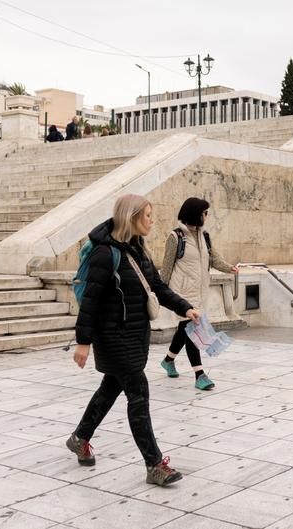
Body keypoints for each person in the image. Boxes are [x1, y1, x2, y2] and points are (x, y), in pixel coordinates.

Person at [68, 194, 200, 486]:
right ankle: (154, 465)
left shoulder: (138, 249)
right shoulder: (106, 254)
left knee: (110, 388)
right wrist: (83, 342)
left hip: (134, 335)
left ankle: (80, 437)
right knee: (138, 393)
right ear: (132, 217)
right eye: (148, 216)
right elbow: (90, 301)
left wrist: (184, 307)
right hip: (113, 337)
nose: (152, 221)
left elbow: (157, 286)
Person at [159, 197, 238, 390]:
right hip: (182, 294)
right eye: (205, 212)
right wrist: (163, 294)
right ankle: (199, 374)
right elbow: (166, 267)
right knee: (192, 330)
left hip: (200, 293)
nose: (207, 216)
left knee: (184, 330)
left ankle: (168, 360)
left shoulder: (205, 237)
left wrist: (230, 268)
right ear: (196, 214)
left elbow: (214, 259)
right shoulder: (176, 237)